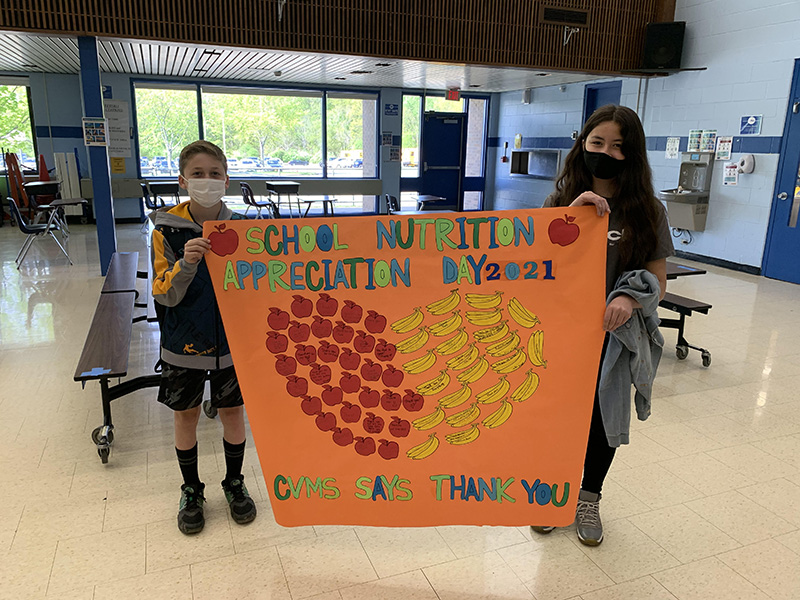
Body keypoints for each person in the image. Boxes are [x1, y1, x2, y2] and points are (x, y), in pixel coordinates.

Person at [532, 104, 674, 545]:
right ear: (582, 144)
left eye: (618, 146)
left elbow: (659, 279)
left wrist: (631, 297)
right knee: (558, 416)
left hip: (613, 339)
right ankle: (554, 493)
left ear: (632, 155)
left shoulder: (648, 210)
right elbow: (537, 268)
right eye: (597, 143)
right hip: (564, 335)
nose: (606, 153)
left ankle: (588, 497)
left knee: (600, 419)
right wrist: (570, 218)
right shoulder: (560, 201)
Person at [151, 140, 257, 534]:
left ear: (227, 181)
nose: (207, 181)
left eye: (215, 174)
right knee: (186, 417)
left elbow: (263, 288)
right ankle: (191, 489)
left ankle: (234, 482)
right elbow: (164, 293)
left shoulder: (245, 230)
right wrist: (186, 264)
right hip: (183, 344)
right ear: (182, 181)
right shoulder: (165, 230)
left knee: (233, 412)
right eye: (198, 174)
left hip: (233, 346)